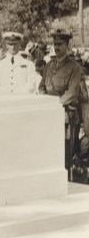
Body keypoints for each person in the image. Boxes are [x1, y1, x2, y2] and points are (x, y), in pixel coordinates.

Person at [38, 30, 83, 173]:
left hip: (65, 115)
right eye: (55, 44)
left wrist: (54, 105)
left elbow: (72, 93)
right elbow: (41, 87)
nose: (56, 47)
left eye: (60, 44)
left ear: (67, 46)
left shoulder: (74, 67)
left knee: (64, 153)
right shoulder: (48, 65)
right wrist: (46, 103)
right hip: (48, 114)